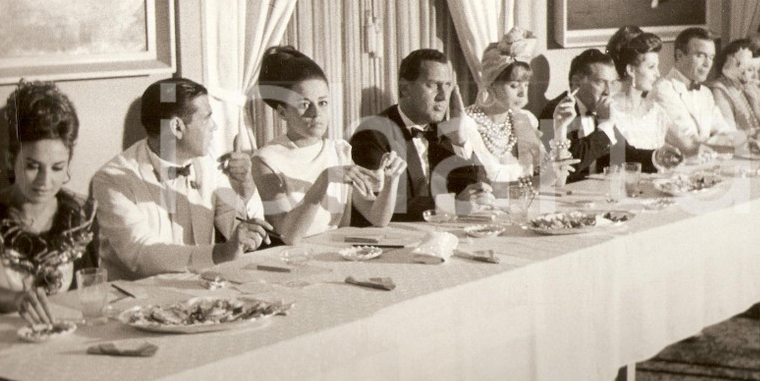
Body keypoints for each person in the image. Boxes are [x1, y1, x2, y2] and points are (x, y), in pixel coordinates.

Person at [92, 78, 270, 279]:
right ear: (177, 127)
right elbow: (141, 255)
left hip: (201, 291)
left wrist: (245, 186)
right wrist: (219, 253)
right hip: (137, 298)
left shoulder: (208, 162)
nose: (215, 127)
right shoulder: (114, 179)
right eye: (207, 118)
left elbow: (238, 232)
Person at [0, 80, 94, 326]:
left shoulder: (77, 215)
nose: (45, 181)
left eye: (57, 168)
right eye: (32, 166)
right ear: (11, 160)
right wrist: (20, 300)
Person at [252, 47, 407, 244]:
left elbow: (377, 218)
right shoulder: (266, 160)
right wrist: (325, 179)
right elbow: (287, 235)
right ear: (282, 112)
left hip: (336, 254)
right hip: (290, 261)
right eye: (304, 104)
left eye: (323, 103)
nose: (316, 113)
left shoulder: (338, 151)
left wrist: (391, 180)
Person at [349, 49, 489, 220]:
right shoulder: (372, 134)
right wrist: (450, 204)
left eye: (447, 85)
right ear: (405, 89)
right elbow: (381, 206)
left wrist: (460, 142)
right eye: (432, 85)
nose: (443, 96)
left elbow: (478, 188)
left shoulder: (445, 130)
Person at [460, 27, 568, 185]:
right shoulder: (468, 125)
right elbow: (484, 190)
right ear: (490, 85)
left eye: (526, 84)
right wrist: (541, 182)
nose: (522, 93)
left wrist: (560, 128)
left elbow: (559, 182)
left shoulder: (524, 120)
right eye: (514, 85)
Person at [648, 26, 742, 156]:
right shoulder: (662, 90)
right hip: (677, 169)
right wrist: (735, 145)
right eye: (700, 55)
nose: (707, 64)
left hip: (705, 164)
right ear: (680, 55)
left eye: (711, 57)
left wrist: (745, 141)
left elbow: (723, 130)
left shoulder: (705, 93)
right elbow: (687, 140)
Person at [538, 49, 623, 182]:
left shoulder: (598, 108)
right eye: (600, 82)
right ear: (576, 83)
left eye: (612, 83)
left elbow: (623, 152)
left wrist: (657, 156)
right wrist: (605, 125)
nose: (608, 91)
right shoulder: (557, 111)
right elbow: (570, 166)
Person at [608, 31, 680, 172]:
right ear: (631, 70)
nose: (658, 74)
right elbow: (615, 160)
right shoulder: (609, 110)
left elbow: (683, 145)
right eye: (651, 67)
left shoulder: (656, 111)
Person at [708, 37, 760, 134]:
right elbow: (728, 134)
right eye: (749, 70)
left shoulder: (745, 88)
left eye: (756, 70)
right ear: (733, 67)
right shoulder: (719, 90)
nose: (755, 76)